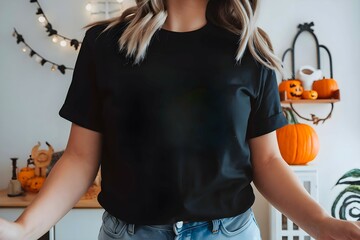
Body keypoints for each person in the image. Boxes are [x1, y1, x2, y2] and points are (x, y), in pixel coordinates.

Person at [0, 0, 359, 239]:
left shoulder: (251, 50)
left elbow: (267, 161)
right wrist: (24, 230)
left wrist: (322, 224)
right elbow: (79, 158)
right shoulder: (104, 45)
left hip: (229, 232)